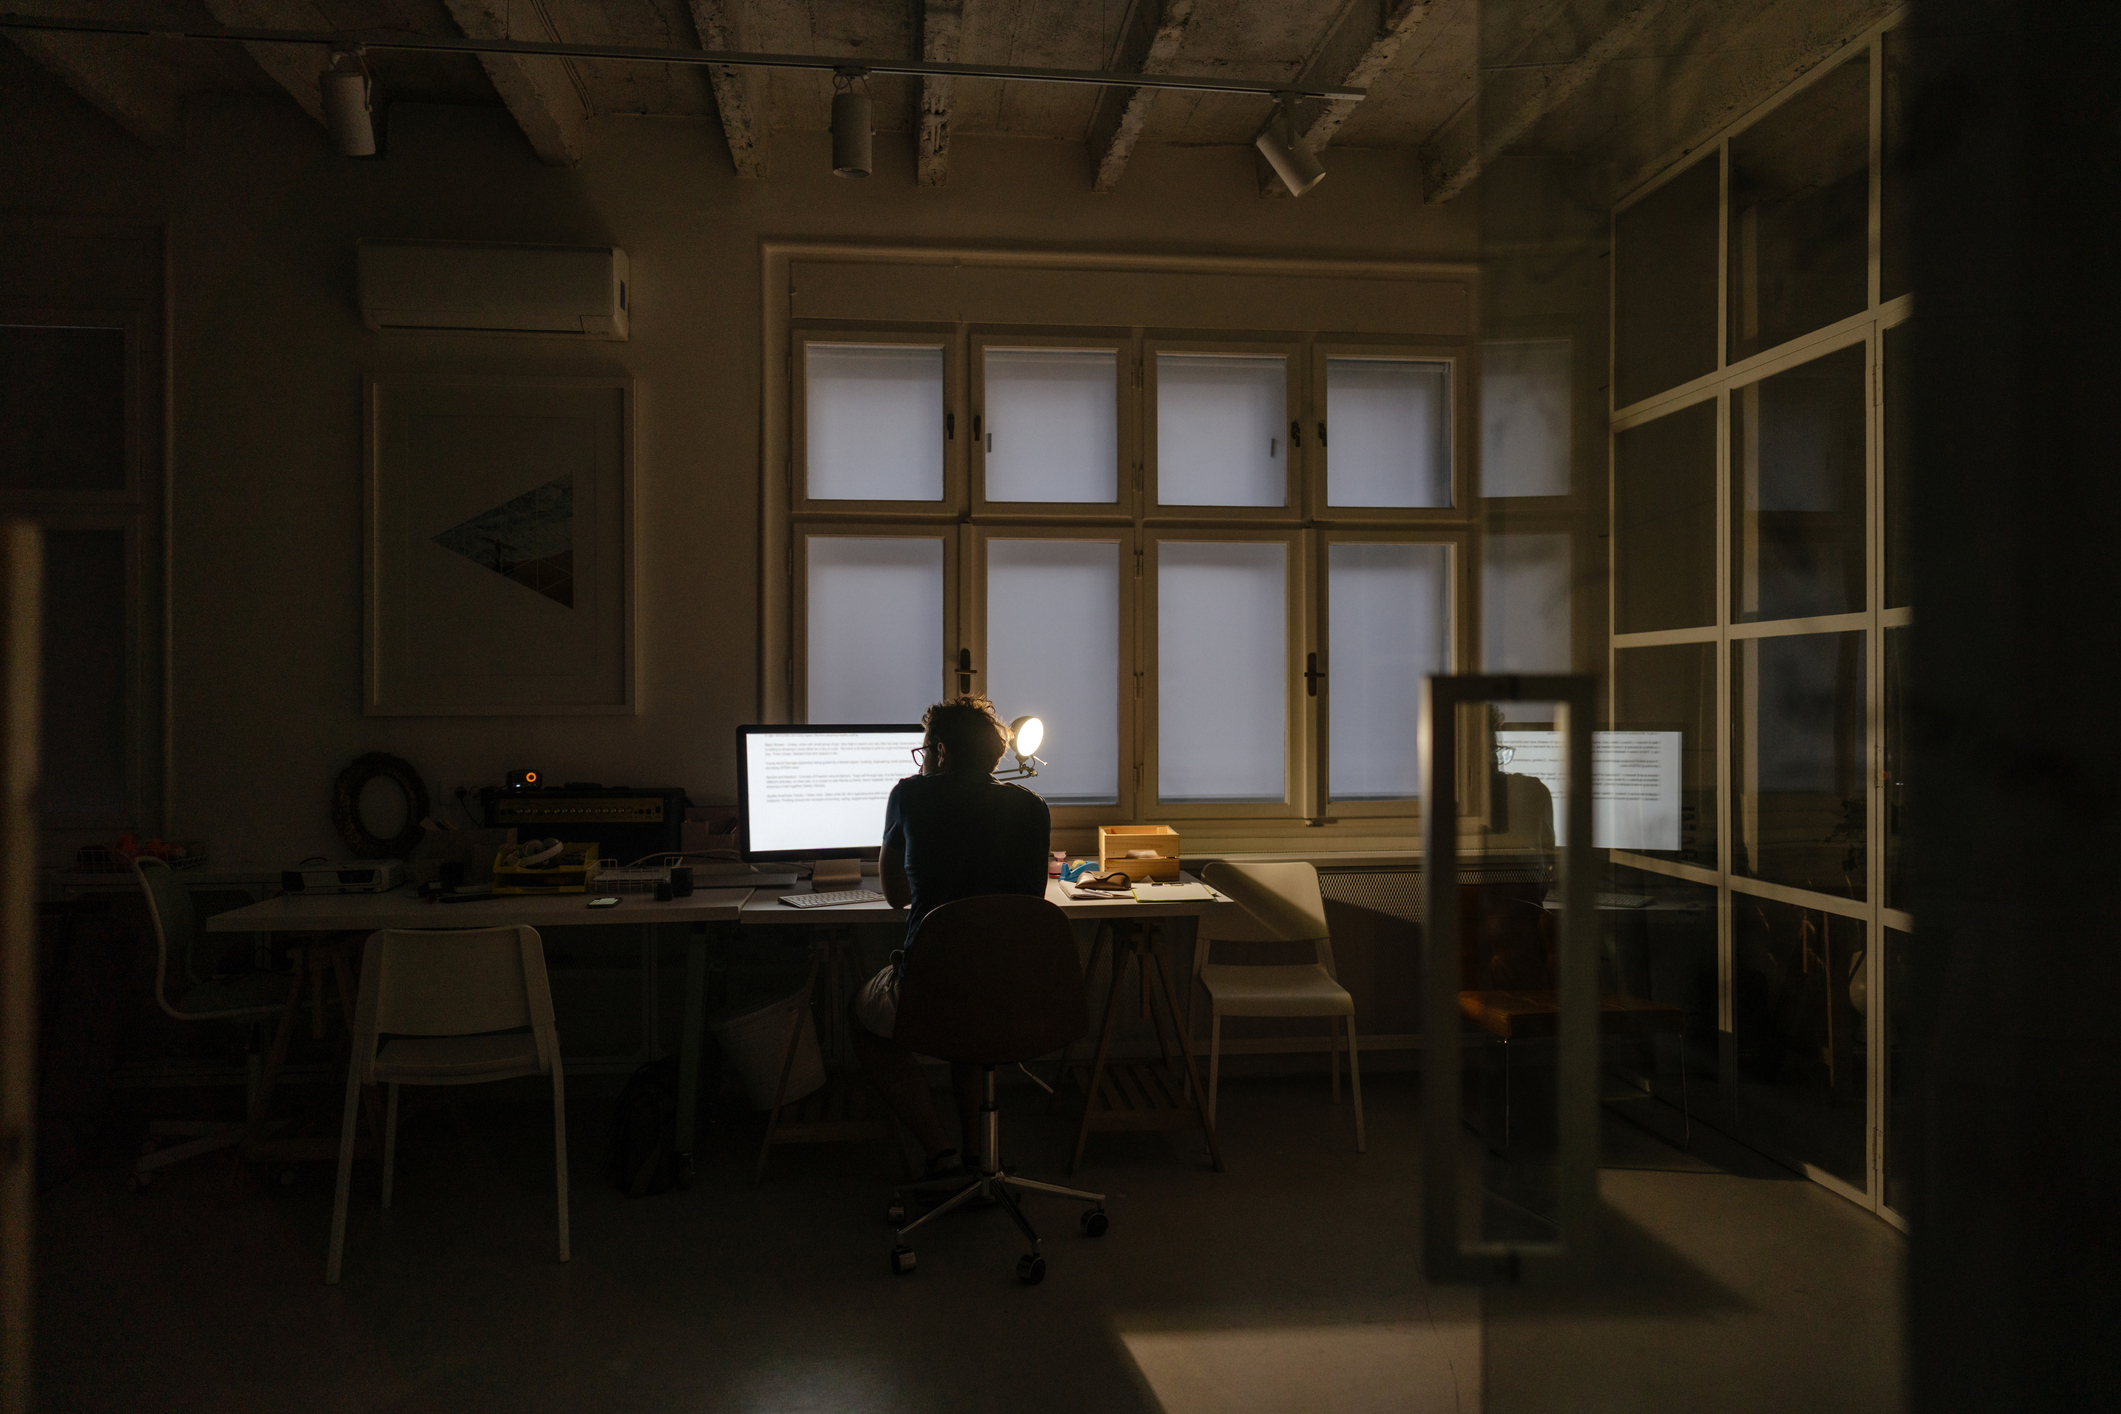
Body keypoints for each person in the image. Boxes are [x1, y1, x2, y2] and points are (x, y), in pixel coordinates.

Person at [848, 695, 1051, 1177]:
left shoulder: (910, 796)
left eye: (923, 752)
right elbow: (1030, 901)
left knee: (861, 1017)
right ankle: (980, 1154)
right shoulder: (1033, 807)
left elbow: (896, 894)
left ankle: (939, 1150)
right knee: (973, 1017)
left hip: (934, 986)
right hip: (1010, 988)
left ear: (939, 752)